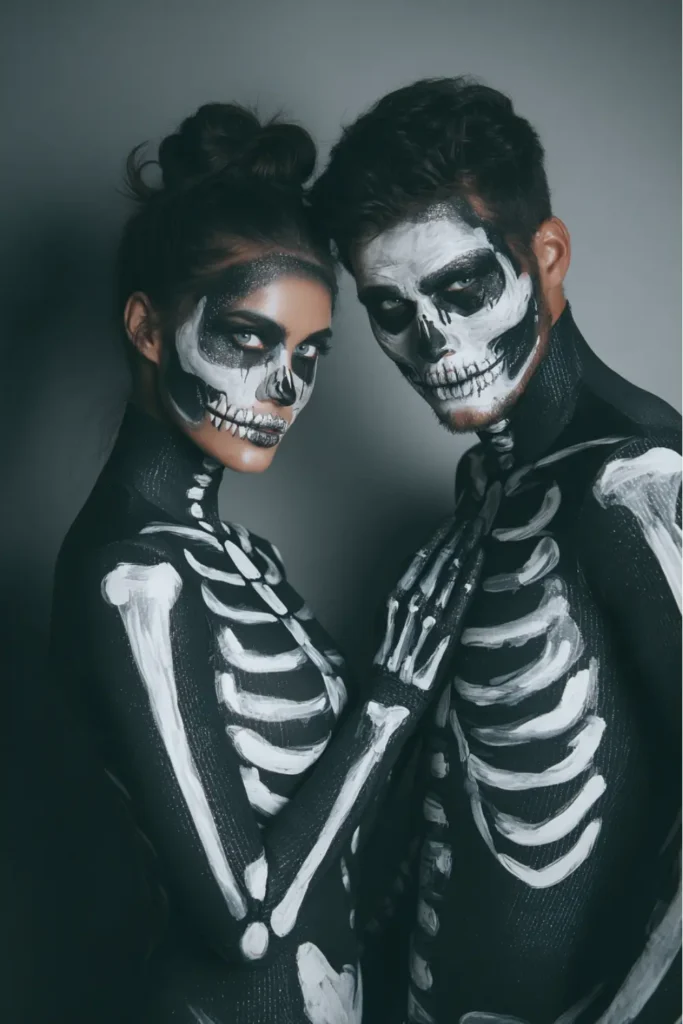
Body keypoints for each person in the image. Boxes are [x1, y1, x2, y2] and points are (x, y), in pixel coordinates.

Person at [49, 102, 483, 1024]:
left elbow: (339, 839)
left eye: (309, 355)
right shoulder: (133, 578)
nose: (283, 390)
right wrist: (387, 706)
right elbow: (242, 922)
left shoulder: (239, 553)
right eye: (248, 341)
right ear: (148, 327)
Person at [311, 78, 682, 1024]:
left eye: (462, 288)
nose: (434, 342)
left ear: (545, 259)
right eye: (389, 309)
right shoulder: (488, 485)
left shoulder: (633, 485)